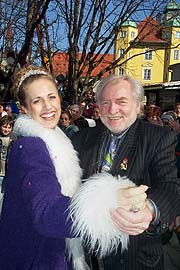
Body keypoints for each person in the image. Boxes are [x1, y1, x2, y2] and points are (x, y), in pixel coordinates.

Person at [0, 67, 149, 270]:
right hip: (38, 257)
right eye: (37, 101)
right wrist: (109, 202)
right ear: (25, 108)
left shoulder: (56, 141)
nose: (47, 106)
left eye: (51, 97)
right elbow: (48, 214)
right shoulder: (30, 147)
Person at [71, 74, 180, 270]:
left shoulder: (158, 137)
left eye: (121, 101)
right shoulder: (81, 139)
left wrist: (150, 210)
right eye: (105, 102)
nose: (112, 110)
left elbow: (169, 186)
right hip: (88, 257)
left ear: (138, 106)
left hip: (134, 257)